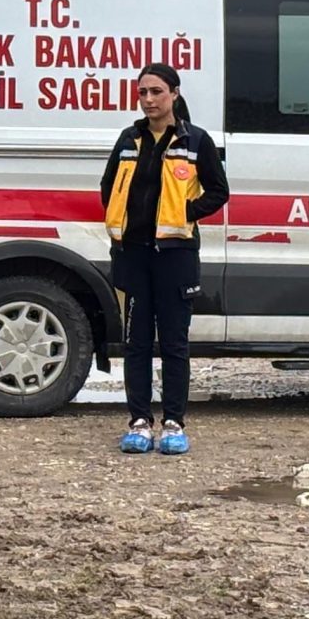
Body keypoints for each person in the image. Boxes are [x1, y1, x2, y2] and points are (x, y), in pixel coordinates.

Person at [101, 63, 227, 456]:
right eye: (142, 93)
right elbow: (108, 188)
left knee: (174, 344)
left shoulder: (196, 141)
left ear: (174, 93)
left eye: (156, 91)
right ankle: (139, 422)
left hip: (175, 257)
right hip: (133, 257)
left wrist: (185, 213)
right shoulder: (128, 139)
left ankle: (174, 422)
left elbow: (219, 191)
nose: (149, 100)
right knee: (136, 343)